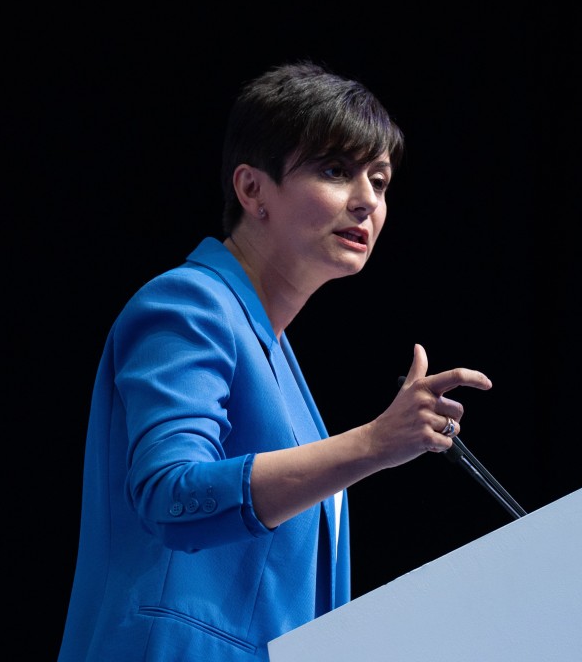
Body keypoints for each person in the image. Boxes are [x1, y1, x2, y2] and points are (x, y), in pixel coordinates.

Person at [57, 60, 493, 661]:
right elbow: (169, 494)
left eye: (381, 180)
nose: (366, 200)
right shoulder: (188, 304)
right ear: (252, 188)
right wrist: (373, 444)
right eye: (336, 170)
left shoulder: (280, 361)